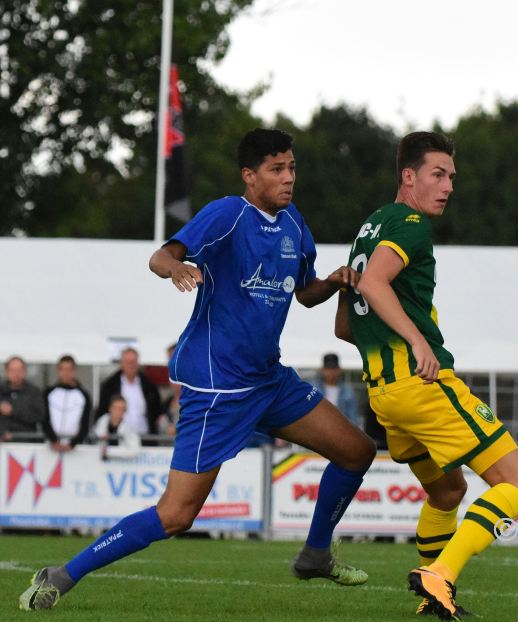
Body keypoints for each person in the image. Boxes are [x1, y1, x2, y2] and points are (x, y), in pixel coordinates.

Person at [20, 128, 376, 611]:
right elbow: (159, 256)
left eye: (292, 167)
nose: (288, 177)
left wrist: (334, 281)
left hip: (269, 381)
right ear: (250, 176)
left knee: (357, 451)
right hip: (218, 389)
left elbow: (305, 293)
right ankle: (62, 574)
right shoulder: (228, 214)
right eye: (277, 169)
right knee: (175, 516)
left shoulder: (294, 222)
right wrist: (177, 269)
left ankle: (315, 554)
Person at [337, 131, 518, 620]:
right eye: (438, 174)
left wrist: (355, 290)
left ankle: (434, 601)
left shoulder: (371, 227)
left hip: (385, 398)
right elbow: (376, 283)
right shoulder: (409, 223)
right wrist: (419, 340)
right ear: (409, 177)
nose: (448, 185)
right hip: (421, 386)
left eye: (451, 176)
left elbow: (346, 326)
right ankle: (440, 574)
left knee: (447, 491)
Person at [96, 347, 161, 437]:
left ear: (138, 363)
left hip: (145, 437)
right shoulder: (109, 386)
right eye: (127, 362)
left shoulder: (149, 386)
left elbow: (157, 411)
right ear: (121, 364)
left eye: (133, 362)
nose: (131, 365)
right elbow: (102, 411)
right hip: (118, 438)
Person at [43, 355, 92, 452]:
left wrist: (73, 444)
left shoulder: (83, 395)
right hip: (50, 447)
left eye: (69, 369)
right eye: (63, 369)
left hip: (75, 448)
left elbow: (85, 423)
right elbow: (44, 419)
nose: (66, 373)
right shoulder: (48, 393)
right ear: (58, 371)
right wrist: (53, 440)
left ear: (74, 371)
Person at [0, 356, 45, 442]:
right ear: (6, 371)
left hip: (26, 443)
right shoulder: (1, 391)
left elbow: (39, 416)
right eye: (12, 370)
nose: (16, 374)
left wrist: (13, 411)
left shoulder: (33, 392)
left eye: (19, 370)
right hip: (3, 444)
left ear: (25, 371)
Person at [310, 353, 360, 427]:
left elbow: (353, 418)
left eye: (333, 368)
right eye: (327, 368)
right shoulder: (313, 387)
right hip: (318, 429)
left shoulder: (348, 391)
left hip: (341, 430)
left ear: (339, 370)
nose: (330, 372)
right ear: (322, 370)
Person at [93, 394, 142, 460]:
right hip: (98, 464)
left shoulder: (129, 427)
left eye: (121, 409)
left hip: (122, 465)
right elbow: (94, 442)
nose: (118, 411)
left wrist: (110, 452)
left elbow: (135, 450)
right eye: (115, 408)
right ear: (110, 408)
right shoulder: (102, 422)